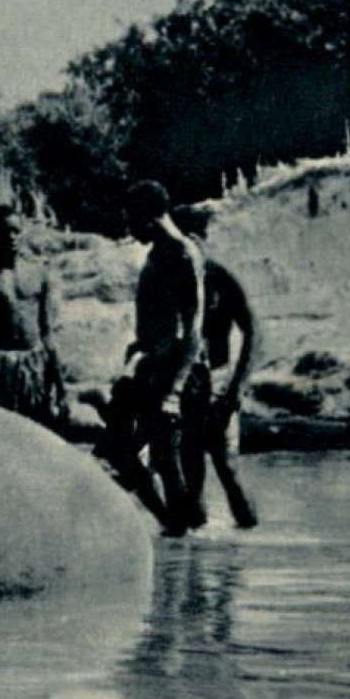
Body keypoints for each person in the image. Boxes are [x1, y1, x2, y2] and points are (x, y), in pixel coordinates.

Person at [122, 180, 209, 536]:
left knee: (168, 460)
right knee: (131, 452)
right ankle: (179, 533)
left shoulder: (182, 253)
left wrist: (173, 390)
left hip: (179, 371)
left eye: (132, 219)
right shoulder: (157, 253)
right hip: (155, 365)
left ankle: (183, 548)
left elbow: (193, 327)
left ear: (149, 215)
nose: (128, 228)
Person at [0, 205, 69, 432]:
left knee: (40, 433)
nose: (10, 237)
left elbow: (47, 333)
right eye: (3, 232)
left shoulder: (40, 274)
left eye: (15, 231)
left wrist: (61, 389)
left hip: (34, 369)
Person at [186, 259, 260, 529]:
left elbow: (254, 331)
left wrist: (236, 388)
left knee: (228, 470)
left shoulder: (219, 276)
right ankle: (190, 563)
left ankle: (244, 551)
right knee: (191, 474)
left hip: (218, 382)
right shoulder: (169, 273)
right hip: (185, 383)